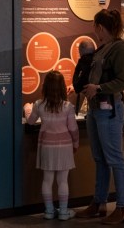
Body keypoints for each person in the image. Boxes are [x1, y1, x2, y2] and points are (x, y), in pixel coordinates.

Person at [76, 8, 124, 225]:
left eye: (95, 27)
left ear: (100, 27)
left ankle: (123, 207)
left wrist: (98, 88)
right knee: (100, 159)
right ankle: (99, 203)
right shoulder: (104, 48)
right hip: (96, 110)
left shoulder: (119, 49)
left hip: (109, 111)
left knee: (116, 159)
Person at [24, 70, 79, 221]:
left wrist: (27, 108)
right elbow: (73, 129)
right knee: (63, 180)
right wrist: (76, 143)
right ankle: (63, 212)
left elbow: (30, 121)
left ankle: (48, 211)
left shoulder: (39, 105)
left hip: (46, 146)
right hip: (65, 146)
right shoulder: (68, 107)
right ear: (62, 87)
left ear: (45, 86)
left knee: (47, 180)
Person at [72, 39, 96, 114]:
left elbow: (77, 86)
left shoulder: (82, 62)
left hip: (93, 105)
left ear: (80, 52)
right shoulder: (99, 60)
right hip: (105, 104)